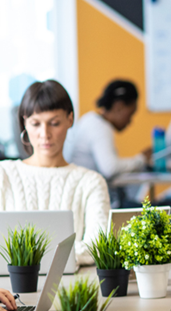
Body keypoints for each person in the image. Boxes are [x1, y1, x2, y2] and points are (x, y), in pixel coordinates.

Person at [0, 80, 110, 266]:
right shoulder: (4, 174)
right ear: (24, 123)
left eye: (54, 123)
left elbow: (96, 247)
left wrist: (33, 261)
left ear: (70, 119)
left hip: (71, 287)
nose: (45, 134)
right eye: (35, 124)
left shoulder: (91, 182)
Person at [65, 80, 151, 179]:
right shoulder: (100, 127)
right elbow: (110, 168)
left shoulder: (90, 119)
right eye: (130, 115)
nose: (130, 122)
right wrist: (141, 159)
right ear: (119, 107)